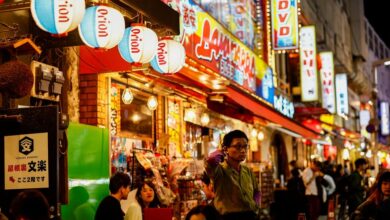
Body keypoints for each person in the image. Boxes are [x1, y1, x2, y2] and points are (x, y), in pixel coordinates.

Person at [205, 130, 260, 220]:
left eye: (245, 146)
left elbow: (256, 191)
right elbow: (210, 161)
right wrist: (221, 151)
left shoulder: (248, 171)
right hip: (228, 217)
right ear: (226, 149)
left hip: (250, 216)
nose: (243, 150)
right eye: (238, 146)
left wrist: (256, 207)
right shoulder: (220, 170)